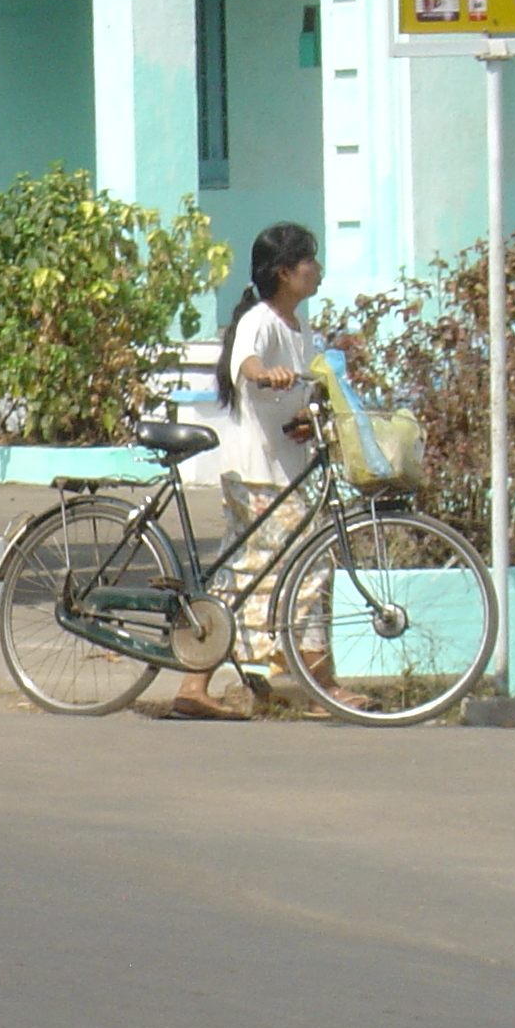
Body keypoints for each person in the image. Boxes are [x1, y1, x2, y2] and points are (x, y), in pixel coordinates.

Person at [167, 222, 362, 719]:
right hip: (258, 473)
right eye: (309, 262)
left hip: (287, 469)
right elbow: (246, 362)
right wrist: (265, 375)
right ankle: (324, 686)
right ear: (284, 272)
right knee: (306, 570)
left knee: (249, 577)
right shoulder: (261, 319)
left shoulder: (300, 327)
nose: (317, 270)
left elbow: (304, 386)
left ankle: (199, 683)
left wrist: (304, 412)